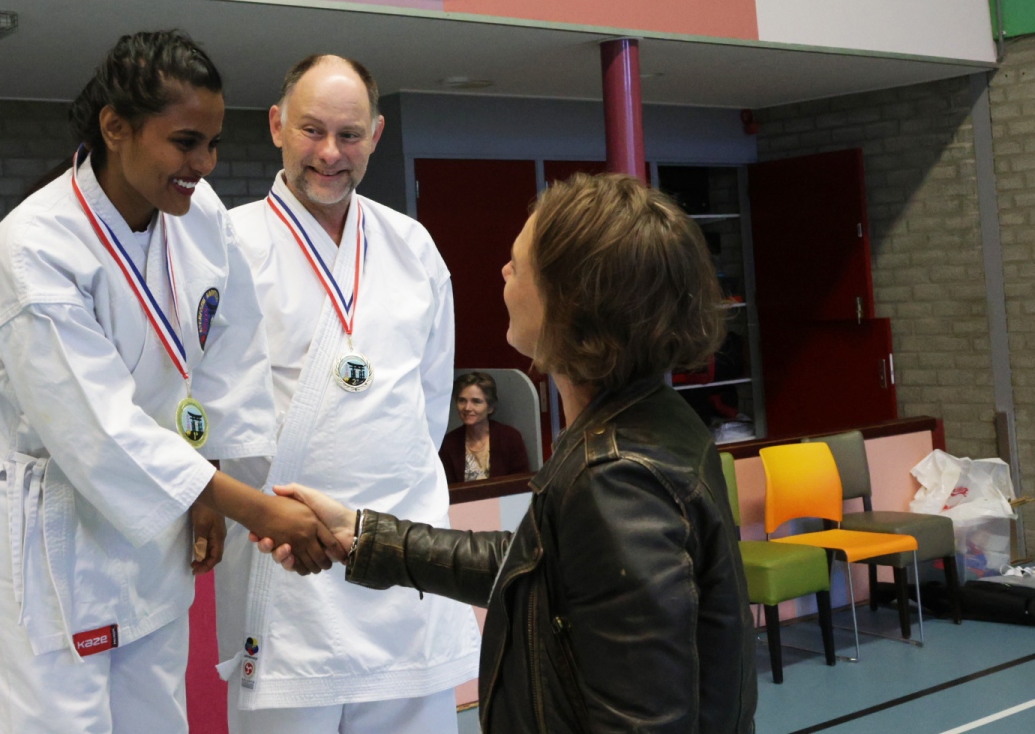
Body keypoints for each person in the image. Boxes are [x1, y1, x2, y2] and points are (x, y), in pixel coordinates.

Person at [259, 173, 757, 733]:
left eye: (518, 265)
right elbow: (540, 569)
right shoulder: (652, 421)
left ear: (570, 300)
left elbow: (644, 720)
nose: (503, 273)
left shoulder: (617, 479)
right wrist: (364, 536)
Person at [0, 30, 335, 734]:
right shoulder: (33, 250)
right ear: (115, 127)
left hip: (158, 515)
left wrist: (210, 481)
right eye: (186, 142)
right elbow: (96, 432)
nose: (203, 165)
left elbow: (227, 350)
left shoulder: (199, 215)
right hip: (47, 534)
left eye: (213, 145)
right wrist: (249, 507)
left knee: (157, 717)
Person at [216, 54, 479, 734]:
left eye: (350, 134)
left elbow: (429, 404)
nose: (330, 153)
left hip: (402, 564)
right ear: (276, 125)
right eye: (312, 130)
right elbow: (198, 407)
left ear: (377, 135)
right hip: (286, 568)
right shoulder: (225, 245)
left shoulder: (412, 246)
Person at [438, 371, 531, 483]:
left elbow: (521, 484)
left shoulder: (510, 438)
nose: (467, 408)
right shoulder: (448, 444)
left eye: (476, 401)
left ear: (490, 407)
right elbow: (447, 488)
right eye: (462, 400)